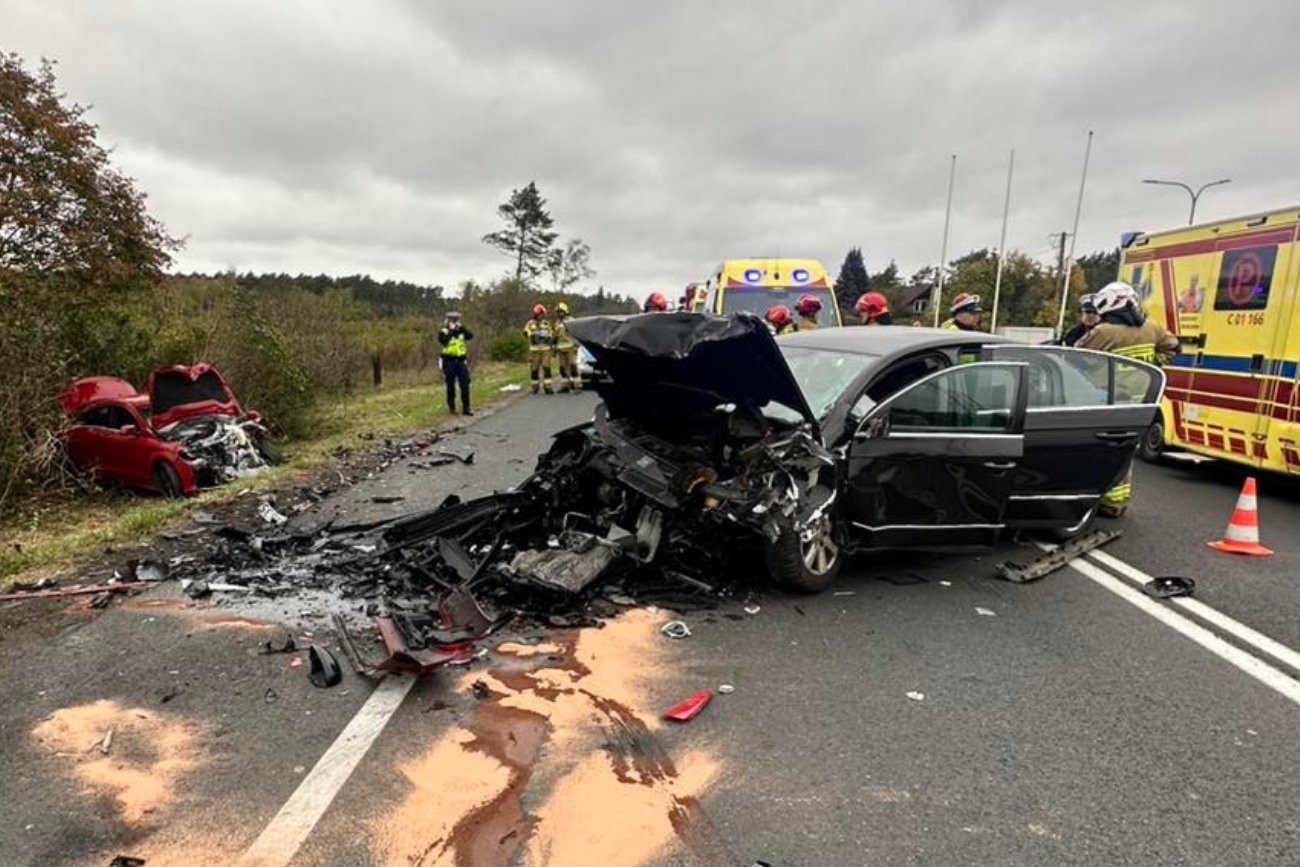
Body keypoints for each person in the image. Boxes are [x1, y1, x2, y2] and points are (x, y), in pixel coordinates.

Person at [1078, 281, 1179, 517]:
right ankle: (1116, 503)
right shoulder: (1153, 328)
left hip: (1107, 400)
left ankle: (1095, 499)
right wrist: (1154, 365)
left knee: (1099, 451)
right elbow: (1174, 347)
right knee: (1125, 451)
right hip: (1140, 402)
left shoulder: (1103, 332)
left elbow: (1075, 356)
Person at [437, 311, 473, 416]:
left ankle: (466, 408)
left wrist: (461, 327)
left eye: (456, 320)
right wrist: (451, 330)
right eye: (452, 320)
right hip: (449, 361)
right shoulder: (443, 331)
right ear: (447, 321)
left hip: (461, 361)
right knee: (450, 385)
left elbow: (470, 336)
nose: (454, 322)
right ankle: (452, 407)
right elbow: (444, 342)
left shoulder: (461, 331)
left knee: (465, 384)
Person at [524, 303, 554, 395]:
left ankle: (548, 387)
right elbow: (525, 332)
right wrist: (533, 335)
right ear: (536, 314)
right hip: (534, 350)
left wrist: (547, 336)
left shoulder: (546, 323)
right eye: (540, 314)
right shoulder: (530, 323)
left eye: (542, 314)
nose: (541, 316)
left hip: (545, 349)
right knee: (534, 369)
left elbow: (551, 333)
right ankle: (535, 387)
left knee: (546, 367)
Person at [553, 301, 579, 393]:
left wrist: (576, 346)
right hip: (560, 348)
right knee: (562, 368)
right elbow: (555, 337)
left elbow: (576, 334)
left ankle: (577, 385)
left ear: (565, 311)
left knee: (572, 365)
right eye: (558, 312)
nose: (559, 314)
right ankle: (565, 386)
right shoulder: (557, 323)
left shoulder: (571, 321)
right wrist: (554, 348)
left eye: (561, 312)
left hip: (570, 347)